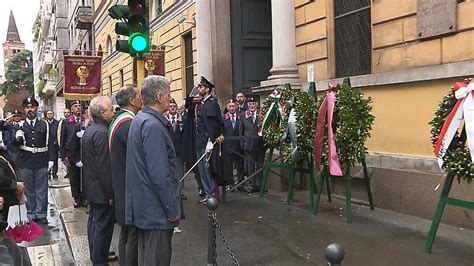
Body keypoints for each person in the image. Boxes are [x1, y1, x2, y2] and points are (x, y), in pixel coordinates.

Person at [125, 76, 182, 266]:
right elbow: (159, 175)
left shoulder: (140, 119)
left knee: (147, 257)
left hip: (146, 208)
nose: (170, 98)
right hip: (155, 210)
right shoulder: (152, 125)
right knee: (156, 259)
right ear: (159, 97)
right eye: (168, 94)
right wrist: (172, 209)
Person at [109, 85, 142, 266]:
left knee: (125, 233)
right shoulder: (129, 124)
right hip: (129, 188)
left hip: (121, 186)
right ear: (131, 101)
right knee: (132, 235)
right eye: (138, 95)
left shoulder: (118, 120)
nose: (141, 98)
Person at [82, 96, 115, 265]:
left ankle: (96, 255)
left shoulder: (92, 129)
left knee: (95, 223)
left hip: (93, 188)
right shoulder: (102, 133)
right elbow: (104, 166)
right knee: (102, 227)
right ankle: (99, 260)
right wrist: (110, 193)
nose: (113, 111)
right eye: (111, 109)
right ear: (102, 113)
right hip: (101, 191)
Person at [11, 97, 55, 224]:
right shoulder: (20, 125)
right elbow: (14, 145)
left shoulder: (45, 124)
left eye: (32, 107)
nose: (30, 109)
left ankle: (41, 214)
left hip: (41, 160)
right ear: (24, 110)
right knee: (29, 190)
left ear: (36, 108)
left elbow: (51, 143)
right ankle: (31, 214)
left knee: (41, 190)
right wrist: (17, 136)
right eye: (27, 107)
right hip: (25, 162)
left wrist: (52, 159)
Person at [194, 76, 226, 203]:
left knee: (208, 170)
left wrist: (210, 140)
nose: (198, 88)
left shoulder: (211, 104)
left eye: (200, 87)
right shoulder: (203, 103)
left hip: (208, 142)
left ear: (207, 89)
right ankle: (208, 194)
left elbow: (212, 125)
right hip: (200, 141)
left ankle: (212, 195)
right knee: (202, 170)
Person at [60, 101, 86, 208]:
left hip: (84, 153)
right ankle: (76, 198)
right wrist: (63, 155)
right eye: (75, 106)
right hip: (71, 155)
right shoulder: (67, 122)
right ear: (71, 109)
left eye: (80, 106)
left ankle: (85, 198)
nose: (78, 108)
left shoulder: (86, 120)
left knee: (84, 177)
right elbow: (63, 139)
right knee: (74, 177)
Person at [240, 96, 265, 192]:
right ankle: (252, 185)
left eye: (253, 104)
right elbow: (241, 131)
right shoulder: (243, 115)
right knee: (250, 166)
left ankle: (259, 185)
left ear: (257, 104)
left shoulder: (262, 114)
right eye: (250, 104)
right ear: (247, 105)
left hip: (260, 144)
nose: (252, 106)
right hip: (249, 145)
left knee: (260, 165)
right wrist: (242, 144)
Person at [165, 98, 187, 200]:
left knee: (179, 171)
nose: (172, 108)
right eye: (170, 106)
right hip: (167, 151)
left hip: (179, 150)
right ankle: (170, 191)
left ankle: (180, 191)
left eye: (174, 106)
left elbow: (185, 135)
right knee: (168, 171)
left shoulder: (182, 119)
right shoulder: (164, 119)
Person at [223, 99, 245, 191]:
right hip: (228, 146)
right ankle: (231, 184)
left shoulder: (241, 117)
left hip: (239, 146)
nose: (231, 108)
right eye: (230, 106)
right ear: (227, 107)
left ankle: (240, 184)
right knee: (229, 167)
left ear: (236, 107)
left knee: (240, 166)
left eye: (233, 106)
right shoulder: (223, 118)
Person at [45, 110, 60, 179]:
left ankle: (54, 173)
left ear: (53, 114)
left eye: (51, 113)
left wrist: (57, 141)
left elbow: (59, 133)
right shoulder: (44, 123)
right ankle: (48, 172)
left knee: (55, 159)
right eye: (48, 114)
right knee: (47, 159)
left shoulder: (57, 123)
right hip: (46, 144)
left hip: (54, 144)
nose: (49, 115)